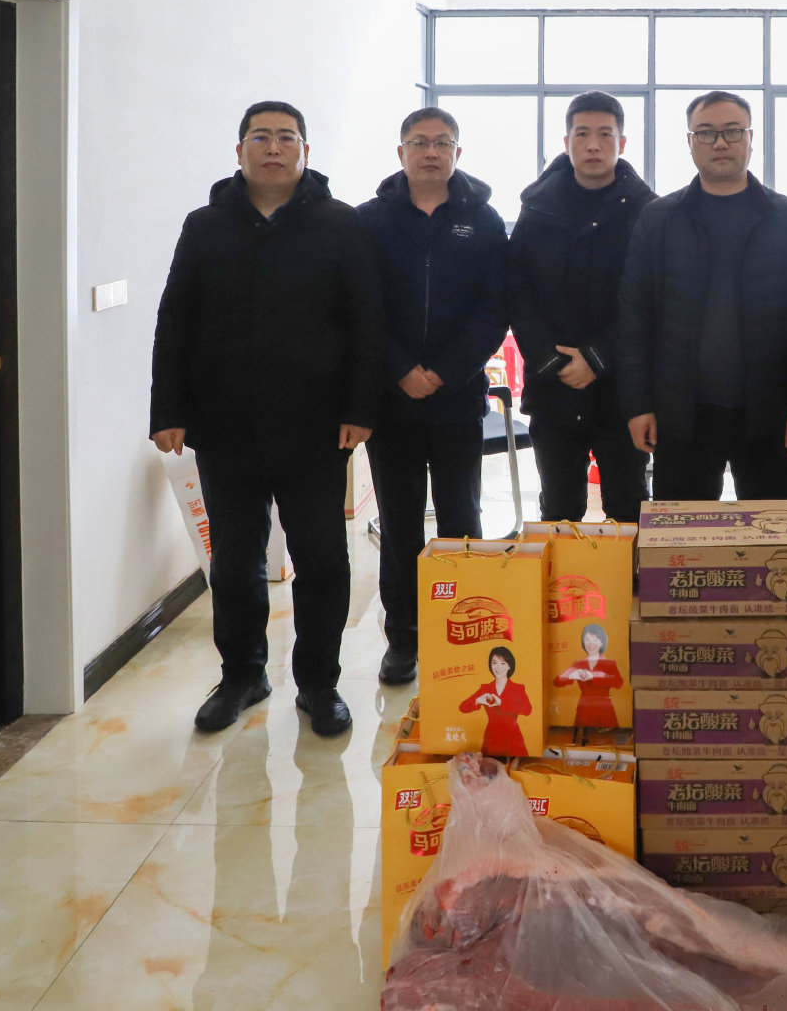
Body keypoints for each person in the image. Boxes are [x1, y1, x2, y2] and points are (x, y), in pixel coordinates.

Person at [149, 100, 380, 737]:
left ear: (305, 150)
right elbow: (176, 320)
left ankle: (320, 683)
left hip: (315, 427)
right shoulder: (205, 226)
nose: (273, 148)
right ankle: (242, 675)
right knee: (233, 563)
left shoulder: (341, 224)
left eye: (286, 137)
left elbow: (366, 322)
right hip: (225, 425)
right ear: (240, 150)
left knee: (322, 561)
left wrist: (360, 407)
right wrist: (168, 409)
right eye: (260, 137)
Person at [357, 107, 507, 687]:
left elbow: (493, 309)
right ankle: (405, 637)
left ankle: (465, 631)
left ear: (457, 154)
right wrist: (401, 369)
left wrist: (443, 372)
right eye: (419, 142)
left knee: (461, 519)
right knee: (399, 524)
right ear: (401, 153)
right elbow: (362, 305)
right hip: (391, 399)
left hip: (456, 397)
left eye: (442, 143)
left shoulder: (484, 221)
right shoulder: (369, 220)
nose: (430, 152)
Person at [618, 90, 787, 501]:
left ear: (751, 138)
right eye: (706, 133)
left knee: (775, 531)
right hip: (682, 414)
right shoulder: (659, 219)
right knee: (684, 532)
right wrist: (638, 405)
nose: (720, 143)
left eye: (732, 131)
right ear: (690, 141)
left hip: (770, 412)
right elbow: (634, 318)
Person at [507, 91, 656, 523]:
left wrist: (596, 358)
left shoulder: (648, 211)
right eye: (582, 134)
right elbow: (517, 290)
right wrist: (554, 361)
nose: (593, 145)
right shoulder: (537, 206)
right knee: (559, 509)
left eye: (605, 135)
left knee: (629, 508)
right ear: (567, 141)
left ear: (622, 143)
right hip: (552, 388)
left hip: (622, 390)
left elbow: (651, 298)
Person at [460, 646, 533, 756]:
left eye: (503, 663)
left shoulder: (518, 688)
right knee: (490, 766)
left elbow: (527, 710)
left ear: (509, 666)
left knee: (515, 765)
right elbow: (463, 707)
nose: (498, 667)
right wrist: (477, 700)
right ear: (490, 665)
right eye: (494, 663)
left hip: (512, 736)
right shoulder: (485, 688)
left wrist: (502, 703)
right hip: (492, 736)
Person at [552, 622, 624, 728]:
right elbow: (557, 681)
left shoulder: (610, 664)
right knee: (584, 737)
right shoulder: (578, 664)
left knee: (606, 737)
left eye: (595, 640)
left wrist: (593, 677)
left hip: (605, 708)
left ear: (602, 642)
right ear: (583, 642)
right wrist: (571, 676)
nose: (591, 644)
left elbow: (619, 683)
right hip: (585, 709)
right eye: (587, 639)